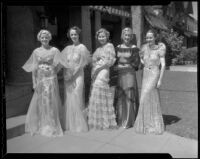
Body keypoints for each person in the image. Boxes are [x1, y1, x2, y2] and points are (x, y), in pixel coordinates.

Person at [22, 29, 63, 137]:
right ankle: (43, 123)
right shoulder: (36, 51)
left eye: (46, 37)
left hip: (50, 79)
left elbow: (60, 64)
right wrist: (34, 83)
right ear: (39, 38)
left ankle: (51, 124)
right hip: (40, 79)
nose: (44, 39)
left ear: (49, 38)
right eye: (42, 37)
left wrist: (53, 71)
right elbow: (34, 68)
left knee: (50, 100)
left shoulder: (54, 50)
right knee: (42, 101)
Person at [58, 26, 90, 132]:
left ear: (78, 35)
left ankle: (78, 123)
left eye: (75, 34)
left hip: (78, 75)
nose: (73, 36)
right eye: (71, 34)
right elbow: (62, 62)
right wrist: (66, 73)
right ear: (69, 36)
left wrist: (73, 73)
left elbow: (83, 63)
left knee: (77, 95)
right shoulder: (67, 49)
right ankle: (70, 122)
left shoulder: (82, 48)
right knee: (69, 97)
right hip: (68, 76)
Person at [134, 29, 166, 134]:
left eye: (150, 37)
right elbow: (142, 58)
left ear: (155, 37)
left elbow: (163, 65)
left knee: (145, 96)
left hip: (154, 74)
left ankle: (154, 123)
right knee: (147, 97)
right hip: (146, 74)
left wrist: (160, 79)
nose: (149, 39)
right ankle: (146, 123)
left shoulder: (160, 48)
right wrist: (143, 62)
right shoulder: (144, 48)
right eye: (147, 37)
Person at [88, 28, 117, 130]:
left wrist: (98, 68)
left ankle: (105, 120)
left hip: (104, 71)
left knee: (99, 88)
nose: (101, 38)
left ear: (107, 37)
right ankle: (98, 120)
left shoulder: (110, 46)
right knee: (96, 92)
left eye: (103, 36)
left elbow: (110, 61)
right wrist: (95, 67)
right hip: (97, 70)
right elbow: (93, 61)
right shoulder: (98, 49)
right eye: (100, 36)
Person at [114, 27, 140, 129]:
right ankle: (121, 119)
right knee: (121, 96)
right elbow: (114, 63)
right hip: (120, 75)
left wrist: (124, 66)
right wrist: (117, 67)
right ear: (122, 36)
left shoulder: (134, 48)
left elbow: (136, 64)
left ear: (131, 36)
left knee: (129, 95)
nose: (127, 37)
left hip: (130, 75)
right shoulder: (118, 47)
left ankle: (129, 120)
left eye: (129, 35)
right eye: (125, 35)